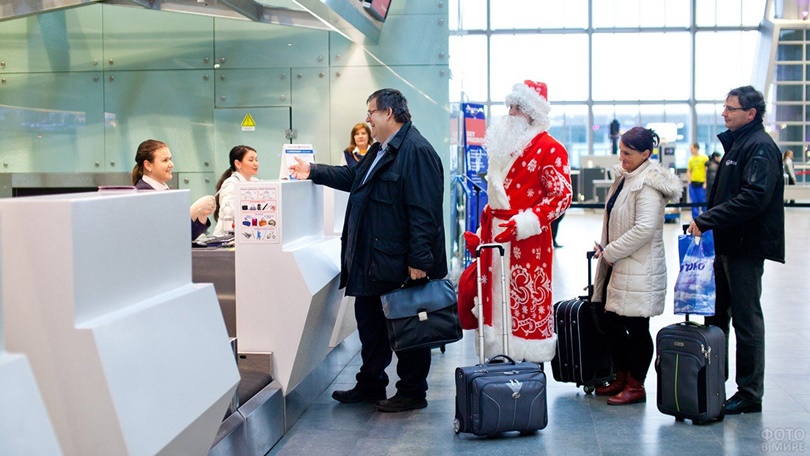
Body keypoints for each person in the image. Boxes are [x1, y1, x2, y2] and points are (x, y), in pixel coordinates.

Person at [288, 88, 446, 413]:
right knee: (370, 325)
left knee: (407, 327)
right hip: (372, 261)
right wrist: (313, 171)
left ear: (388, 112)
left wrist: (419, 261)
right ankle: (371, 382)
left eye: (371, 111)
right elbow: (353, 176)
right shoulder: (380, 149)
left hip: (400, 264)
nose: (367, 118)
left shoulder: (416, 151)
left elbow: (424, 212)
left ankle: (412, 392)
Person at [688, 85, 785, 415]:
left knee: (746, 320)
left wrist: (708, 218)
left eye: (730, 108)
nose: (724, 113)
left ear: (751, 114)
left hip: (745, 247)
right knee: (716, 317)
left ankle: (749, 392)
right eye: (724, 107)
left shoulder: (759, 147)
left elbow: (754, 197)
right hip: (726, 244)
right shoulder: (739, 144)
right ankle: (715, 382)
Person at [463, 80, 572, 363]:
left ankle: (528, 370)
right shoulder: (504, 146)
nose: (510, 113)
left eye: (517, 108)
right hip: (494, 237)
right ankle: (498, 364)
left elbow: (561, 196)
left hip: (527, 242)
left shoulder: (550, 148)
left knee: (525, 301)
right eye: (510, 106)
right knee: (493, 303)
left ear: (533, 113)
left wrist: (526, 223)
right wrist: (481, 232)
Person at [591, 127, 682, 406]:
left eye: (628, 153)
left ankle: (636, 384)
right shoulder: (625, 178)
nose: (622, 157)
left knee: (637, 326)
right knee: (612, 321)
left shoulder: (649, 184)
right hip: (618, 264)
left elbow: (644, 228)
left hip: (640, 268)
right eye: (620, 151)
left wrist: (611, 251)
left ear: (646, 154)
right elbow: (616, 218)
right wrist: (606, 249)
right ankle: (621, 376)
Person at [132, 139, 215, 240]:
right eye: (165, 160)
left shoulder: (164, 191)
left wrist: (201, 215)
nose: (171, 164)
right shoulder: (142, 195)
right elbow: (167, 233)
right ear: (148, 165)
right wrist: (195, 209)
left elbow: (186, 236)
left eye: (170, 159)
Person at [212, 145, 260, 236]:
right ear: (238, 164)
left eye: (256, 160)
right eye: (251, 160)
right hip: (227, 237)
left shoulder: (255, 182)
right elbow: (228, 212)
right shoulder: (231, 184)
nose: (256, 163)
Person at [686, 142, 708, 220]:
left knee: (704, 203)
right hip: (693, 184)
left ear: (696, 148)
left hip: (701, 184)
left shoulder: (704, 158)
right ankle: (695, 220)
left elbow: (707, 170)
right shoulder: (691, 159)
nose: (691, 150)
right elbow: (689, 170)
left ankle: (706, 219)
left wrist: (706, 182)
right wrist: (689, 181)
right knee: (694, 203)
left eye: (691, 148)